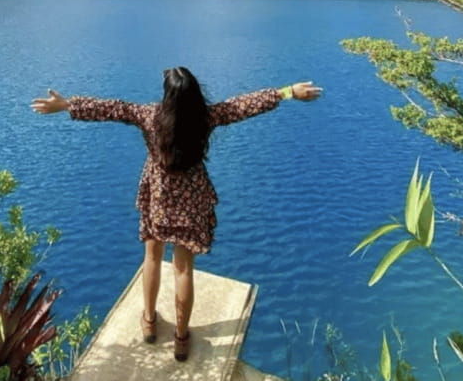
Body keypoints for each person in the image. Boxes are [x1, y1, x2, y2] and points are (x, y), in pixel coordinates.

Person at [31, 67, 321, 362]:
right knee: (183, 269)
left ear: (167, 96)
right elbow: (243, 106)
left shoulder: (149, 116)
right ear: (195, 94)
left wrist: (67, 104)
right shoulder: (206, 117)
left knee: (152, 257)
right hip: (191, 197)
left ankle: (149, 321)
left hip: (158, 196)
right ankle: (181, 338)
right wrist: (288, 92)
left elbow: (113, 108)